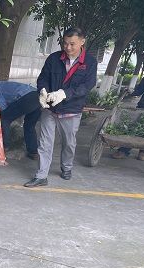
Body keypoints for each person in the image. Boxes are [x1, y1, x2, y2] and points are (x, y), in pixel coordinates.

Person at [24, 27, 97, 187]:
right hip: (50, 109)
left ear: (82, 42)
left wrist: (65, 94)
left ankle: (67, 167)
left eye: (72, 44)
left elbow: (88, 85)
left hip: (72, 110)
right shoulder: (54, 58)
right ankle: (41, 175)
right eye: (65, 43)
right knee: (44, 143)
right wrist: (42, 91)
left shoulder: (90, 62)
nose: (68, 48)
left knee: (69, 143)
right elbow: (43, 78)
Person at [0, 81, 40, 159]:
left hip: (27, 97)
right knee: (29, 125)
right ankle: (33, 152)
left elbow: (2, 112)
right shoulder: (1, 87)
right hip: (38, 97)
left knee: (5, 119)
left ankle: (4, 145)